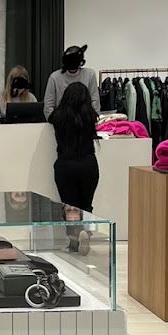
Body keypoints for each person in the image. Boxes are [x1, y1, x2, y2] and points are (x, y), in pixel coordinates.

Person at [49, 80, 99, 253]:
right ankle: (86, 233)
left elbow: (49, 115)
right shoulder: (91, 117)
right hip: (88, 164)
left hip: (65, 165)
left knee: (70, 207)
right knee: (86, 205)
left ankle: (73, 241)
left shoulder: (57, 117)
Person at [43, 44, 100, 119]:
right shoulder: (54, 77)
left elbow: (95, 101)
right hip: (62, 120)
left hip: (84, 119)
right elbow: (48, 105)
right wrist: (55, 121)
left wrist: (94, 119)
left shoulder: (90, 75)